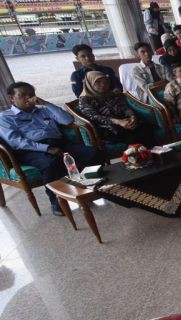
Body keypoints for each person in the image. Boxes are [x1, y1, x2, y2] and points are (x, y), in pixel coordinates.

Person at [0, 82, 100, 215]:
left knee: (91, 153)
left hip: (59, 143)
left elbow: (68, 120)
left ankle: (89, 189)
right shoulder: (5, 117)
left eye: (31, 94)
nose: (28, 98)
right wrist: (46, 148)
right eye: (22, 95)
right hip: (30, 150)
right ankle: (56, 201)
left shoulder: (43, 110)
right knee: (51, 163)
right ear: (12, 98)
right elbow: (16, 141)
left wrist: (47, 103)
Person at [77, 71, 156, 147]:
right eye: (98, 82)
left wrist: (132, 116)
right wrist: (118, 122)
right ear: (90, 84)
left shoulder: (110, 94)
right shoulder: (84, 100)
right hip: (107, 127)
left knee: (146, 129)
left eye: (105, 81)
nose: (103, 84)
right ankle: (140, 158)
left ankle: (154, 155)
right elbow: (94, 117)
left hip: (124, 121)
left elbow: (124, 107)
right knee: (132, 138)